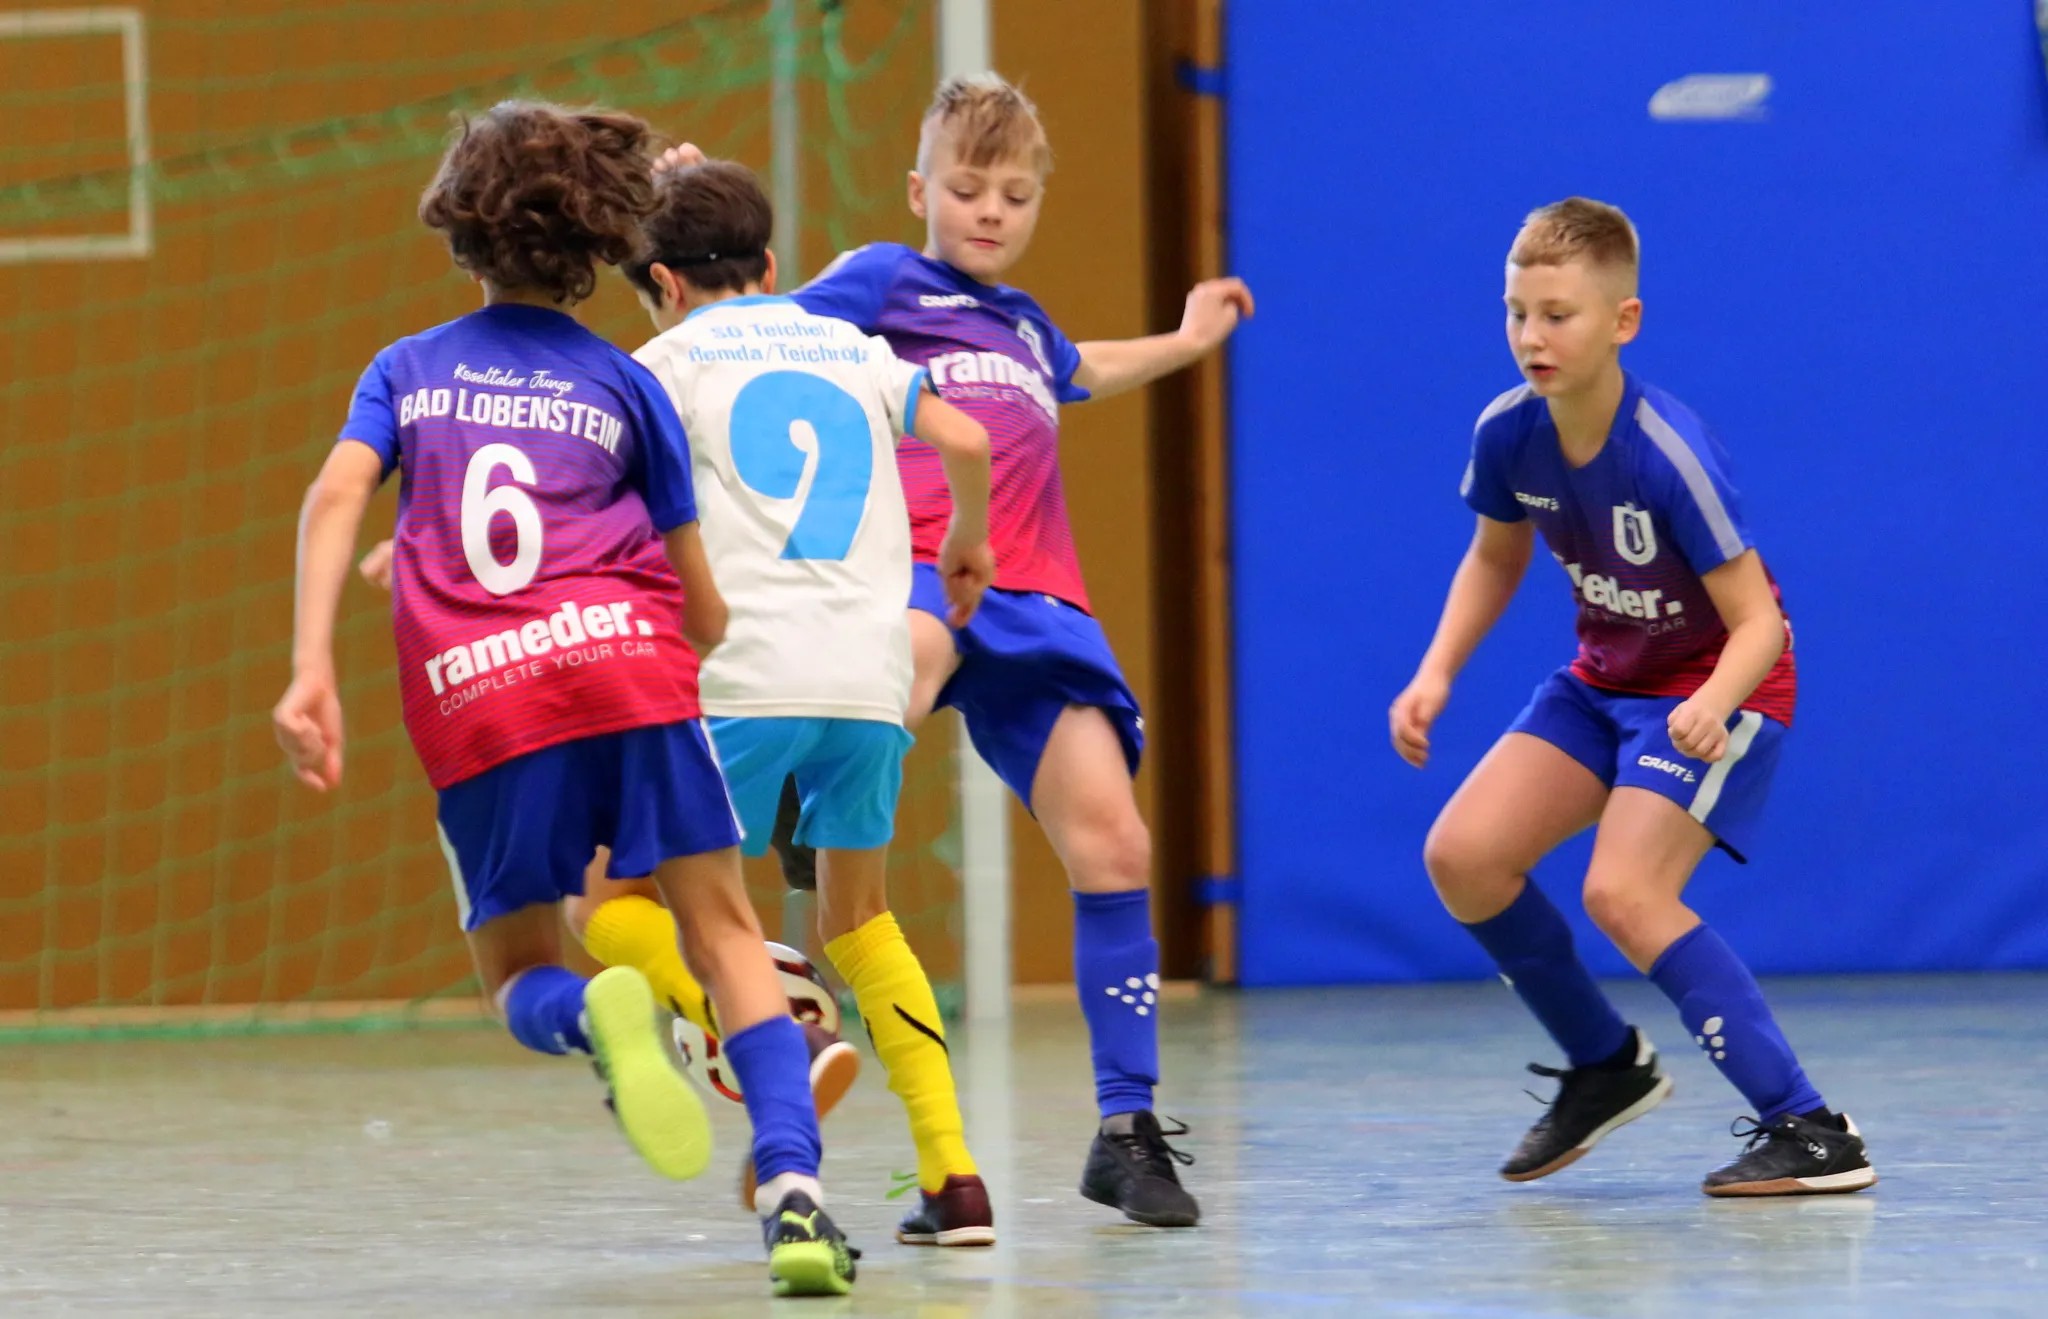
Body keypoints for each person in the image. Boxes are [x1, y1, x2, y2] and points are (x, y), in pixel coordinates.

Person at [270, 101, 859, 1295]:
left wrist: (311, 666)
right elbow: (699, 605)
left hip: (483, 700)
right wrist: (706, 630)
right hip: (627, 671)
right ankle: (795, 1193)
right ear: (600, 244)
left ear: (459, 233)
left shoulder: (405, 370)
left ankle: (597, 1021)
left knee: (518, 969)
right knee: (725, 932)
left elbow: (334, 496)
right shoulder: (627, 385)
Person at [787, 74, 1254, 1227]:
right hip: (920, 566)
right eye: (965, 188)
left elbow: (1085, 364)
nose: (989, 210)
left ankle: (1125, 1129)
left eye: (1013, 193)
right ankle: (795, 852)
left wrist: (1189, 337)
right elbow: (759, 336)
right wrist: (692, 216)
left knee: (1116, 842)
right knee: (898, 677)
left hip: (1039, 602)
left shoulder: (1027, 326)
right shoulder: (882, 283)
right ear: (918, 192)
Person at [1387, 196, 1875, 1197]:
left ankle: (1812, 1127)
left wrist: (1713, 703)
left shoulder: (1668, 453)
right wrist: (1435, 671)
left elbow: (1759, 623)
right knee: (1463, 857)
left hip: (1718, 684)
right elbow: (1494, 555)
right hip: (1604, 680)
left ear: (1623, 321)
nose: (1531, 336)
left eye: (1557, 315)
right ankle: (1605, 1065)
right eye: (1516, 312)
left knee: (1624, 891)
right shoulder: (1508, 432)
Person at [574, 154, 1003, 1246]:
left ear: (662, 282)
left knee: (604, 898)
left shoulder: (662, 365)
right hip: (869, 680)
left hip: (741, 678)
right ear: (770, 265)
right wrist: (964, 539)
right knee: (859, 918)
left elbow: (592, 503)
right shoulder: (850, 345)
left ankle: (773, 1031)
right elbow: (967, 437)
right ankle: (954, 1176)